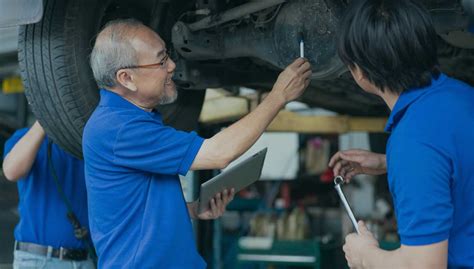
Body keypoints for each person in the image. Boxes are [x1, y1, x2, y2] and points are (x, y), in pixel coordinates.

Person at [84, 19, 311, 268]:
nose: (171, 65)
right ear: (126, 78)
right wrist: (279, 96)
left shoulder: (128, 120)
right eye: (160, 60)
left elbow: (136, 204)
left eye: (167, 55)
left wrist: (190, 210)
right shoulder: (118, 128)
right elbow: (219, 153)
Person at [328, 0, 474, 268]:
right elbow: (459, 161)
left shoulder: (413, 142)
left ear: (359, 72)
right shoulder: (462, 96)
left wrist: (364, 255)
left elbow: (424, 265)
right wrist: (389, 163)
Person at [3, 121, 95, 269]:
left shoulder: (90, 143)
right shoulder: (24, 138)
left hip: (85, 259)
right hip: (38, 259)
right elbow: (12, 171)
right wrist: (46, 116)